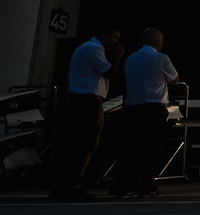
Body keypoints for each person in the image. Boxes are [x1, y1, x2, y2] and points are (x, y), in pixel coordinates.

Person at [50, 25, 122, 200]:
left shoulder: (83, 48)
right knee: (86, 144)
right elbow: (108, 71)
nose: (115, 42)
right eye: (114, 37)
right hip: (87, 102)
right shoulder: (94, 49)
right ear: (104, 35)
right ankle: (73, 185)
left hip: (75, 100)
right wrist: (118, 57)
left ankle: (63, 185)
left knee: (72, 144)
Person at [114, 28, 178, 197]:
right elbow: (174, 78)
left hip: (132, 108)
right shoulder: (161, 58)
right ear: (157, 41)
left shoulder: (130, 59)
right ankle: (146, 185)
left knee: (131, 149)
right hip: (153, 109)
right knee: (151, 149)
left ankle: (124, 185)